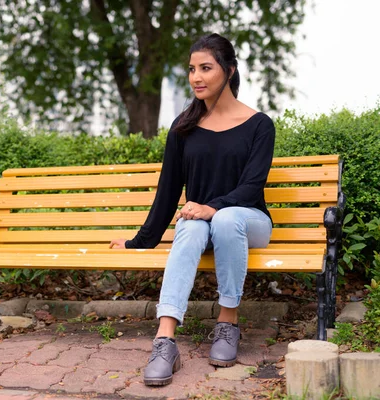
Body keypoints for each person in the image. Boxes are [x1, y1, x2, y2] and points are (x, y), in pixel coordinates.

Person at [109, 33, 275, 387]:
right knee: (190, 223)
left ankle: (227, 324)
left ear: (229, 71)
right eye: (191, 69)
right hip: (201, 224)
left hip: (248, 219)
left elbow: (251, 187)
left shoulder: (260, 125)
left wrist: (211, 208)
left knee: (225, 218)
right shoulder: (184, 128)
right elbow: (168, 192)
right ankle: (165, 340)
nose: (196, 77)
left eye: (206, 68)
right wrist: (140, 241)